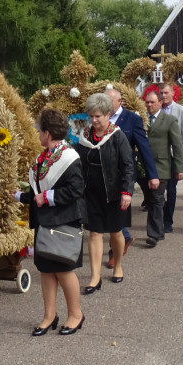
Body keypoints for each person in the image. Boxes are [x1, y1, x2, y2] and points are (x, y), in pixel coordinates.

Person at [15, 108, 85, 336]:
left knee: (64, 270)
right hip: (45, 222)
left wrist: (47, 198)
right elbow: (37, 192)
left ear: (47, 132)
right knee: (45, 271)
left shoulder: (69, 157)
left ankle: (75, 315)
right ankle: (49, 315)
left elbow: (76, 190)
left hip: (64, 221)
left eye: (39, 130)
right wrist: (17, 196)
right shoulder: (43, 157)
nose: (37, 133)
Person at [74, 93, 134, 291]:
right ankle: (95, 277)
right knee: (94, 233)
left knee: (116, 232)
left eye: (98, 116)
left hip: (114, 193)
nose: (93, 120)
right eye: (91, 115)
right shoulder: (83, 138)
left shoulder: (117, 136)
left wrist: (127, 192)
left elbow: (127, 165)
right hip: (91, 193)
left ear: (108, 114)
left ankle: (117, 266)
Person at [105, 87, 158, 267]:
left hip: (124, 174)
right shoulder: (99, 119)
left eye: (109, 101)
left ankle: (114, 252)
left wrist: (152, 175)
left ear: (119, 101)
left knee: (117, 211)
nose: (105, 105)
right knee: (106, 212)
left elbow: (143, 147)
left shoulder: (132, 119)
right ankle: (125, 236)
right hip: (103, 174)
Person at [142, 85, 183, 245]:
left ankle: (154, 234)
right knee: (151, 199)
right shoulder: (141, 119)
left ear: (160, 102)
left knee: (156, 198)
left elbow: (177, 145)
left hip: (161, 165)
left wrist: (179, 168)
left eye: (152, 102)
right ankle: (158, 228)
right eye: (147, 102)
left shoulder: (169, 120)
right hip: (143, 165)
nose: (149, 105)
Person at [155, 82, 183, 233]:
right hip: (159, 156)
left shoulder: (181, 110)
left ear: (173, 93)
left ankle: (168, 221)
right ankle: (160, 217)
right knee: (158, 190)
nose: (164, 96)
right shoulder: (156, 109)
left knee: (171, 189)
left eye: (166, 93)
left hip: (174, 155)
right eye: (161, 93)